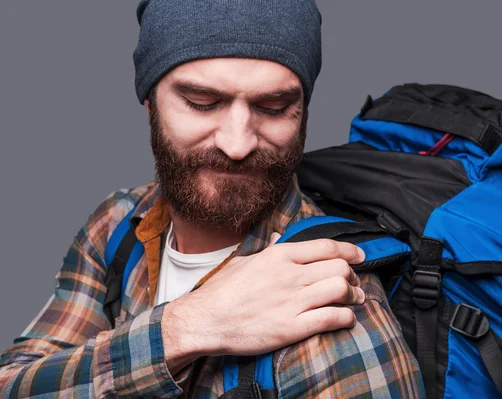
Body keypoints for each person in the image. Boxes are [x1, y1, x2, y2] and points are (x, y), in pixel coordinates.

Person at [0, 1, 424, 397]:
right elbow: (13, 381)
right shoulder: (116, 223)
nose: (237, 144)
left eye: (274, 108)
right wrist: (185, 328)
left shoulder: (325, 294)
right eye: (202, 103)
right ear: (150, 103)